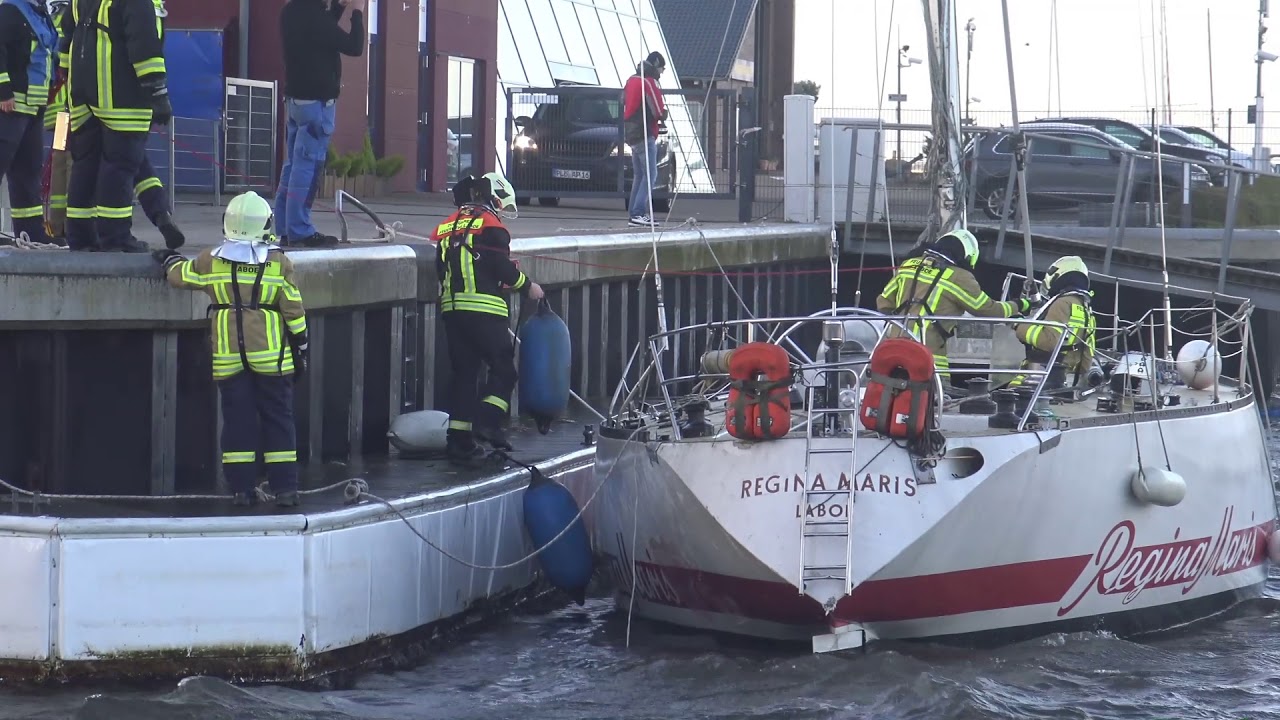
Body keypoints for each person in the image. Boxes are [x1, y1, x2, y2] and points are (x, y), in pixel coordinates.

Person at [152, 191, 309, 507]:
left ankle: (241, 490)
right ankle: (286, 490)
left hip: (228, 358)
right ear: (265, 225)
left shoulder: (212, 259)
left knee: (238, 423)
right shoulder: (278, 262)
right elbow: (293, 310)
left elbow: (181, 276)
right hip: (272, 360)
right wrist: (301, 348)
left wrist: (169, 259)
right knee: (278, 420)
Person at [44, 0, 182, 248]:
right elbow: (144, 46)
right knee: (120, 168)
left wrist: (66, 78)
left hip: (82, 97)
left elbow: (66, 39)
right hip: (121, 95)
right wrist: (157, 91)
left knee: (85, 167)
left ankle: (81, 237)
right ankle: (115, 238)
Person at [432, 171, 544, 467]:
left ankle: (459, 443)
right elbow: (500, 268)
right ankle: (487, 421)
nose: (502, 213)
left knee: (464, 377)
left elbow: (440, 269)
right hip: (484, 312)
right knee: (505, 371)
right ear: (494, 198)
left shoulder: (449, 226)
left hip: (452, 312)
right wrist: (528, 285)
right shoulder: (492, 228)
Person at [876, 227, 1030, 388]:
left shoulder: (909, 265)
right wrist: (1020, 304)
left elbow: (883, 303)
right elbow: (989, 310)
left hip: (893, 351)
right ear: (968, 255)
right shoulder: (959, 277)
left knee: (888, 398)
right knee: (937, 403)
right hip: (929, 357)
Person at [276, 0, 364, 248]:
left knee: (292, 166)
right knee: (308, 168)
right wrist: (357, 13)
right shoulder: (316, 18)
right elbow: (354, 46)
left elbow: (321, 31)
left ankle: (285, 227)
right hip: (316, 105)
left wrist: (337, 9)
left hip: (296, 101)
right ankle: (300, 230)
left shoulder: (291, 12)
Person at [0, 0, 59, 246]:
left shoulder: (39, 14)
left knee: (28, 174)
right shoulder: (11, 11)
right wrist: (3, 90)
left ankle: (31, 233)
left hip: (34, 108)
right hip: (11, 106)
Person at [1010, 255, 1101, 390]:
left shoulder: (1061, 303)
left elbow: (1049, 341)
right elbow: (1087, 355)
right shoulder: (1084, 307)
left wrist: (1018, 325)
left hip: (1041, 375)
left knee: (1006, 395)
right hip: (1065, 377)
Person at [622, 50, 667, 228]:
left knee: (639, 175)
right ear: (656, 66)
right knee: (650, 175)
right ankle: (638, 213)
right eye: (662, 69)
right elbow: (657, 109)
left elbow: (623, 101)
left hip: (631, 133)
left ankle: (633, 214)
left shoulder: (631, 80)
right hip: (644, 132)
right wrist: (664, 114)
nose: (662, 73)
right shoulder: (648, 83)